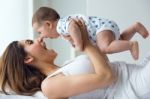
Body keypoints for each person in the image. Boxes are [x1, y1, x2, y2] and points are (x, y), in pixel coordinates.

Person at [0, 19, 150, 99]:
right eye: (30, 42)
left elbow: (105, 63)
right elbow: (107, 77)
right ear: (27, 59)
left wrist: (88, 37)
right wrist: (85, 43)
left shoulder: (66, 65)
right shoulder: (49, 86)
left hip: (135, 71)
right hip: (134, 87)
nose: (39, 39)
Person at [32, 7, 149, 60]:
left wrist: (78, 44)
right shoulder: (62, 30)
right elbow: (74, 34)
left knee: (105, 48)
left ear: (48, 24)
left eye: (40, 32)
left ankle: (131, 45)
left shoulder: (61, 25)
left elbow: (73, 26)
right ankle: (134, 28)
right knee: (120, 40)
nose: (41, 36)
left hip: (100, 28)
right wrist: (73, 42)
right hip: (104, 27)